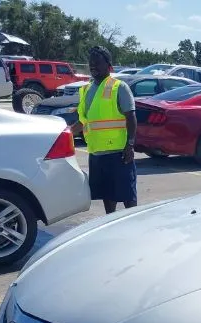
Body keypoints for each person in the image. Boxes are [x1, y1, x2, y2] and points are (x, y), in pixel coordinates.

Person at [69, 46, 138, 213]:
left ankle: (133, 223)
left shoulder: (118, 87)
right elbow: (84, 121)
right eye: (91, 64)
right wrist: (65, 134)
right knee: (107, 195)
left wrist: (130, 145)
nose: (93, 67)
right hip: (96, 154)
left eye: (97, 63)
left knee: (127, 195)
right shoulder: (86, 90)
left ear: (109, 66)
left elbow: (131, 117)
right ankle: (110, 220)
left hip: (118, 153)